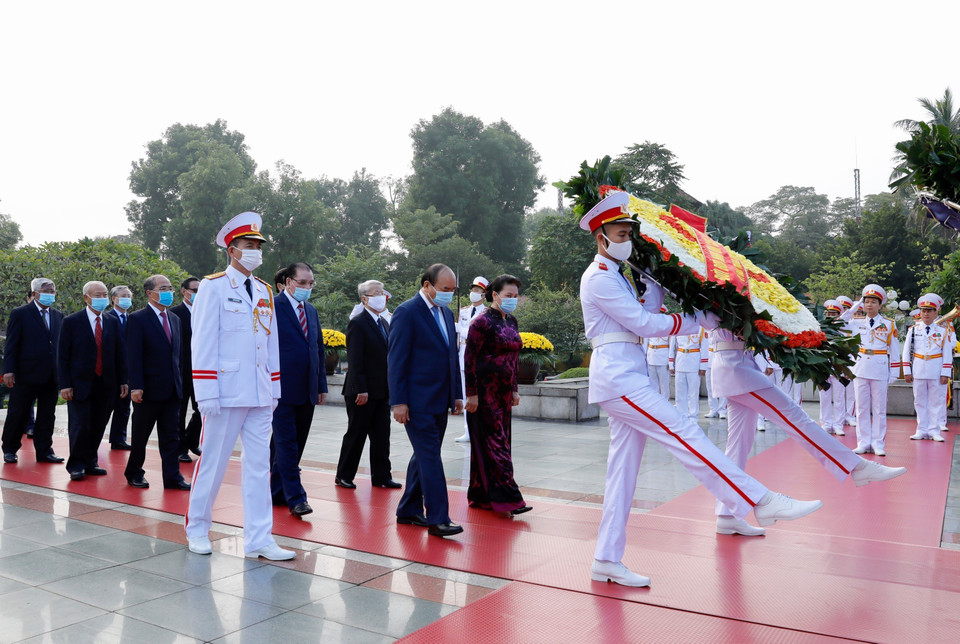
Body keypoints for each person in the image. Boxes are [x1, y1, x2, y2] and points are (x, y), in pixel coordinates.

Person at [578, 191, 823, 588]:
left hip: (629, 373)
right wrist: (695, 322)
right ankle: (760, 500)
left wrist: (657, 279)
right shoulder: (598, 279)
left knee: (622, 473)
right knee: (685, 433)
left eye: (629, 233)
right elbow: (644, 324)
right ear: (600, 236)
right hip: (618, 377)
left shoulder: (621, 275)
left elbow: (649, 310)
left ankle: (606, 558)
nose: (627, 240)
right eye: (621, 234)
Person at [708, 322, 905, 537]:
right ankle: (855, 467)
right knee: (795, 418)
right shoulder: (712, 297)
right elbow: (699, 319)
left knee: (738, 446)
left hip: (740, 365)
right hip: (736, 370)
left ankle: (727, 516)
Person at [184, 211, 294, 561]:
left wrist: (274, 388)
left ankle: (259, 538)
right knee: (213, 463)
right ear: (232, 250)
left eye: (258, 246)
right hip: (225, 392)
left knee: (260, 465)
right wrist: (206, 393)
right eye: (249, 246)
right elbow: (201, 342)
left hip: (260, 392)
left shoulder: (263, 289)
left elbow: (270, 340)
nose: (255, 251)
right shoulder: (214, 287)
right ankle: (198, 529)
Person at [389, 263, 464, 538]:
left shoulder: (445, 312)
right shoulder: (407, 312)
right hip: (416, 402)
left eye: (452, 290)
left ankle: (408, 509)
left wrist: (456, 393)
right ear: (427, 285)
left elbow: (450, 356)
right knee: (431, 457)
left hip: (440, 400)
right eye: (444, 289)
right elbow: (396, 361)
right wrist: (398, 402)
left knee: (423, 455)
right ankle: (438, 518)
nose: (449, 294)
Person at [463, 274, 531, 516]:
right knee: (496, 445)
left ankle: (481, 495)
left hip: (504, 395)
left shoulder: (512, 321)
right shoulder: (481, 323)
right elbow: (469, 359)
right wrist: (471, 394)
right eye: (508, 296)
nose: (513, 300)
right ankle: (509, 498)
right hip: (484, 393)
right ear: (494, 295)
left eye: (515, 296)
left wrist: (514, 389)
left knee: (496, 444)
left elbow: (514, 359)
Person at [270, 262, 328, 517]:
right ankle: (297, 498)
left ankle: (275, 492)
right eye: (302, 283)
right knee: (287, 444)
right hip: (280, 389)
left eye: (310, 283)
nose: (307, 288)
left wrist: (321, 385)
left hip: (307, 389)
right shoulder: (270, 307)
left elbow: (317, 349)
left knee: (295, 444)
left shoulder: (311, 310)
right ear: (288, 282)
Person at [124, 275, 190, 490]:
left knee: (171, 436)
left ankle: (172, 477)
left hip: (172, 390)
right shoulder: (138, 318)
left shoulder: (175, 319)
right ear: (149, 293)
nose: (168, 292)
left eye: (170, 288)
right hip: (147, 390)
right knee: (141, 435)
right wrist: (136, 385)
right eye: (163, 288)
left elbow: (178, 357)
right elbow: (134, 356)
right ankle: (134, 472)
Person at [58, 281, 128, 480]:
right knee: (80, 426)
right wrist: (65, 384)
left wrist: (123, 380)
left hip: (106, 384)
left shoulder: (112, 321)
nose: (102, 298)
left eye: (104, 294)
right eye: (97, 295)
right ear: (86, 298)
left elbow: (119, 353)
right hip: (80, 384)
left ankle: (91, 462)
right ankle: (76, 465)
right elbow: (62, 356)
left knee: (99, 425)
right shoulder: (71, 321)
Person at [336, 279, 399, 491]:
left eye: (382, 292)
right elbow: (355, 360)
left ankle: (382, 476)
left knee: (382, 435)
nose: (382, 296)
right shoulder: (358, 322)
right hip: (361, 391)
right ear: (365, 298)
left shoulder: (384, 322)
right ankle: (344, 475)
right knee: (357, 433)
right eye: (376, 293)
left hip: (382, 390)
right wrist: (361, 388)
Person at [2, 278, 65, 464]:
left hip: (50, 375)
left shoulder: (57, 315)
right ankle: (10, 448)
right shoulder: (20, 313)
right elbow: (11, 344)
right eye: (46, 290)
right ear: (35, 293)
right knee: (18, 413)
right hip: (26, 374)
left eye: (52, 290)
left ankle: (44, 450)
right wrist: (9, 370)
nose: (50, 294)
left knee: (47, 415)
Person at [841, 285, 901, 455]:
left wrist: (895, 372)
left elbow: (894, 349)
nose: (869, 305)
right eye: (866, 301)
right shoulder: (856, 323)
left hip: (880, 369)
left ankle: (878, 443)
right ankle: (863, 442)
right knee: (861, 408)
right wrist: (854, 307)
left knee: (879, 409)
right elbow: (839, 323)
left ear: (879, 305)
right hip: (860, 369)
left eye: (873, 302)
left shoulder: (889, 324)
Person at [903, 293, 952, 442]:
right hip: (918, 367)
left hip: (936, 368)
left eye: (929, 311)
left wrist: (946, 372)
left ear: (936, 312)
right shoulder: (913, 329)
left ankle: (934, 430)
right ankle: (921, 429)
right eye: (923, 310)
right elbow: (906, 351)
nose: (926, 313)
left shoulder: (943, 330)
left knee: (936, 401)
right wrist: (906, 370)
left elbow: (947, 353)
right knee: (919, 400)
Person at [169, 277, 202, 463]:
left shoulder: (206, 312)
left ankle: (190, 439)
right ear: (184, 291)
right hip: (181, 371)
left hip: (202, 371)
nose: (197, 294)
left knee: (203, 410)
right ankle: (180, 448)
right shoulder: (174, 314)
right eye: (194, 290)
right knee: (179, 412)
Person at [455, 276, 489, 443]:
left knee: (480, 396)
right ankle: (468, 430)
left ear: (484, 295)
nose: (473, 293)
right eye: (472, 290)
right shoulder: (464, 311)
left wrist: (461, 331)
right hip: (463, 357)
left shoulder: (488, 313)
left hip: (479, 359)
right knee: (466, 395)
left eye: (477, 291)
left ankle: (481, 430)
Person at [104, 285, 133, 450]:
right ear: (113, 298)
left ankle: (118, 439)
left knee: (124, 407)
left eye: (129, 296)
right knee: (107, 406)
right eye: (123, 296)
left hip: (128, 370)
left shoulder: (133, 318)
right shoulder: (106, 318)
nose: (126, 299)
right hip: (110, 370)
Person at [818, 300, 846, 436]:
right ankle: (826, 423)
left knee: (839, 397)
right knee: (824, 397)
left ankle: (838, 424)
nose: (831, 316)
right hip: (824, 367)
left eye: (834, 313)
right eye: (828, 313)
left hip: (838, 368)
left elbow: (849, 350)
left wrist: (847, 370)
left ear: (839, 315)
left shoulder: (844, 329)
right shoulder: (820, 328)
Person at [669, 330, 707, 422]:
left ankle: (693, 416)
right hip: (680, 360)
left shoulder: (701, 328)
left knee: (693, 392)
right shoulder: (679, 328)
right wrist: (671, 363)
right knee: (680, 391)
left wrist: (703, 366)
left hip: (694, 361)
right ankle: (681, 414)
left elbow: (705, 347)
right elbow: (672, 346)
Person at [836, 295, 857, 426]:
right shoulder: (834, 325)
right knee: (838, 394)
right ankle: (839, 417)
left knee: (851, 392)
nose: (843, 311)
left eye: (846, 309)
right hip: (837, 363)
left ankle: (850, 415)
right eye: (841, 309)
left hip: (850, 362)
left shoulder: (854, 325)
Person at [643, 323, 670, 398]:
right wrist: (644, 358)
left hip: (663, 358)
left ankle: (665, 402)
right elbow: (645, 344)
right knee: (653, 384)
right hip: (651, 357)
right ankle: (655, 401)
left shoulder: (668, 328)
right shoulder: (650, 328)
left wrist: (670, 362)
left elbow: (672, 346)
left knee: (664, 384)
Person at [704, 336, 727, 419]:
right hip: (709, 357)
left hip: (721, 357)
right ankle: (713, 409)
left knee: (723, 385)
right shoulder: (706, 329)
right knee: (710, 386)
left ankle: (722, 410)